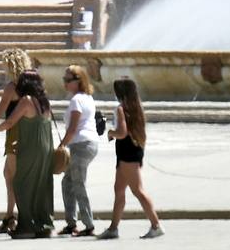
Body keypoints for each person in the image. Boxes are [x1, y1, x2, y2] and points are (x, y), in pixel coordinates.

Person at [0, 70, 54, 238]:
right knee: (40, 186)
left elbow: (10, 121)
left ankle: (26, 226)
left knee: (21, 184)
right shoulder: (43, 101)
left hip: (30, 147)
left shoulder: (26, 101)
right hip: (45, 147)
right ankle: (43, 224)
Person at [99, 77, 164, 240]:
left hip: (127, 153)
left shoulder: (121, 109)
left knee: (137, 190)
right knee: (119, 189)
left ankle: (156, 225)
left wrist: (110, 133)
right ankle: (113, 228)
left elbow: (122, 132)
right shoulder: (135, 108)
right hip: (132, 151)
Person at [0, 49, 32, 234]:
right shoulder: (31, 85)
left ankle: (17, 218)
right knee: (10, 175)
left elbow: (0, 113)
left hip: (15, 133)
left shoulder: (12, 87)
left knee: (13, 177)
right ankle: (10, 215)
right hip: (29, 133)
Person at [57, 64, 99, 237]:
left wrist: (61, 146)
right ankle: (71, 222)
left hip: (80, 145)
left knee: (78, 184)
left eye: (68, 80)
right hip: (90, 143)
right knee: (68, 183)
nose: (65, 83)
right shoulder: (87, 98)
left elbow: (73, 128)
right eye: (64, 79)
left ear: (78, 81)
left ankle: (88, 225)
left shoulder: (76, 101)